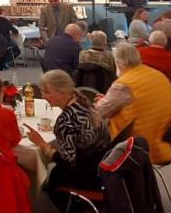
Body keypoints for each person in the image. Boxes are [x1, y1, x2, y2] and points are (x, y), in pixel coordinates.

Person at [26, 70, 112, 212]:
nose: (42, 96)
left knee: (53, 180)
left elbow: (68, 162)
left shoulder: (65, 120)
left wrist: (42, 143)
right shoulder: (82, 100)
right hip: (103, 162)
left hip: (87, 174)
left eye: (46, 92)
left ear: (62, 92)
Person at [96, 43, 171, 164]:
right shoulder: (157, 75)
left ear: (119, 63)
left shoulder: (124, 84)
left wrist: (101, 102)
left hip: (137, 144)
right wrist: (108, 100)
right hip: (164, 139)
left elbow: (99, 112)